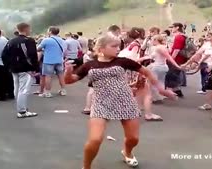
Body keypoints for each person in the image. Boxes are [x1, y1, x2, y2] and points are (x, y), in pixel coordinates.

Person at [64, 33, 174, 169]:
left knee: (133, 139)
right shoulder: (89, 65)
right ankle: (86, 167)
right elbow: (69, 81)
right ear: (101, 48)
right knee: (95, 139)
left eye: (119, 46)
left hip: (125, 101)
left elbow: (147, 72)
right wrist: (68, 72)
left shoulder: (122, 61)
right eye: (114, 46)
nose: (118, 49)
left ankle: (127, 152)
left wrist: (161, 90)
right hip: (101, 103)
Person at [2, 23, 39, 118]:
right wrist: (35, 68)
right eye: (29, 29)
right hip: (25, 69)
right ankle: (22, 111)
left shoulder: (11, 41)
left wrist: (8, 66)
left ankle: (20, 108)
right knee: (24, 90)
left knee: (17, 88)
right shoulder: (29, 40)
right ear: (26, 29)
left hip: (14, 69)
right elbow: (32, 55)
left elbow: (4, 55)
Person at [37, 26, 67, 98]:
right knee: (61, 75)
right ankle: (63, 90)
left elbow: (38, 49)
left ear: (50, 32)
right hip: (59, 60)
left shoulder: (46, 40)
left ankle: (47, 92)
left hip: (48, 61)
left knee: (48, 76)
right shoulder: (62, 40)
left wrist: (44, 49)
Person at [166, 23, 186, 97]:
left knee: (171, 75)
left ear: (177, 28)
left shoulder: (178, 37)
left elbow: (176, 50)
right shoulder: (182, 36)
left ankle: (172, 92)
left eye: (173, 27)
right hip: (179, 59)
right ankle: (177, 91)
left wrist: (171, 59)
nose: (171, 29)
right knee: (173, 75)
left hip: (176, 59)